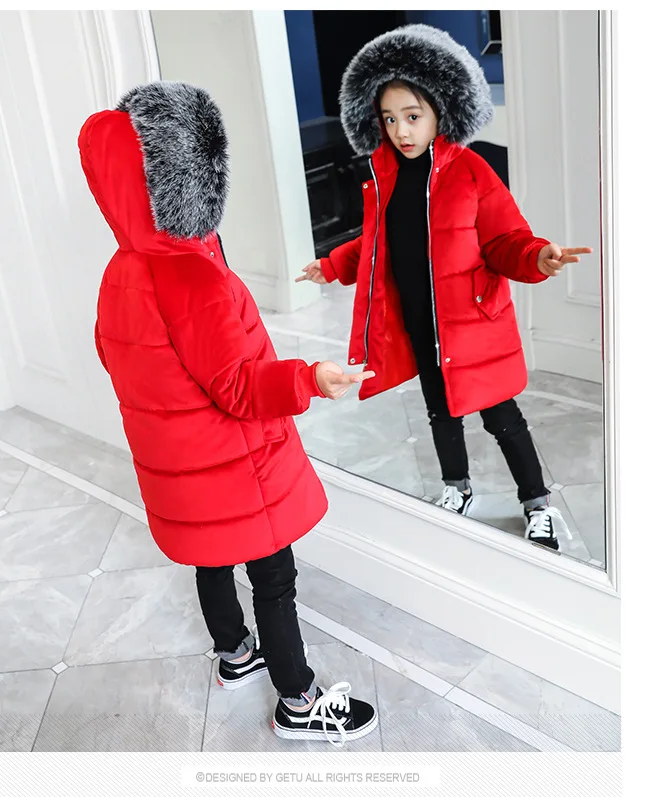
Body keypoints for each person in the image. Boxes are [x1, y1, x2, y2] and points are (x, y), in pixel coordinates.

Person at [79, 81, 378, 745]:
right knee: (273, 577)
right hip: (239, 467)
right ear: (191, 183)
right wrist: (309, 378)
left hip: (182, 468)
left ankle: (235, 653)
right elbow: (241, 388)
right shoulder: (194, 278)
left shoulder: (120, 271)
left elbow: (111, 354)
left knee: (210, 556)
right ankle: (299, 700)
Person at [297, 25, 593, 551]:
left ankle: (537, 503)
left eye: (412, 116)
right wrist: (333, 264)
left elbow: (505, 239)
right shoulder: (384, 175)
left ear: (440, 110)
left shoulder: (470, 170)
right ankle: (457, 486)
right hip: (421, 325)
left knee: (502, 418)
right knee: (440, 411)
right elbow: (378, 242)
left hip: (472, 326)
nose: (401, 131)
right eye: (389, 118)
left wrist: (537, 256)